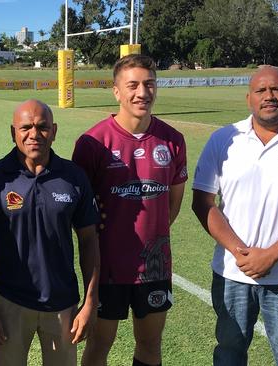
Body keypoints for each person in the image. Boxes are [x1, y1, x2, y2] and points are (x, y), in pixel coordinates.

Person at [191, 66, 278, 365]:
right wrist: (241, 252)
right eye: (261, 91)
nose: (269, 96)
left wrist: (271, 255)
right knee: (229, 354)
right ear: (249, 99)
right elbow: (203, 202)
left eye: (277, 89)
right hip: (232, 273)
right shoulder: (223, 139)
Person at [72, 54, 188, 366]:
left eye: (149, 84)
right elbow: (79, 208)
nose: (142, 92)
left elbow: (172, 205)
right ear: (117, 92)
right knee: (98, 346)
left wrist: (153, 233)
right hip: (106, 267)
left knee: (150, 345)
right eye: (133, 85)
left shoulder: (173, 140)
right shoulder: (92, 142)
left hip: (154, 264)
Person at [0, 99, 100, 366]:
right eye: (25, 127)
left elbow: (89, 240)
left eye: (43, 127)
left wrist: (90, 304)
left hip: (62, 303)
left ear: (54, 130)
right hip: (9, 303)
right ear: (13, 131)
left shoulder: (74, 177)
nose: (34, 134)